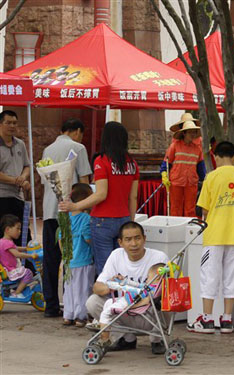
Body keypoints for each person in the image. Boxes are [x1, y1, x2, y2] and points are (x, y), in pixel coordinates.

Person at [187, 141, 234, 334]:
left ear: (217, 157)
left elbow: (204, 208)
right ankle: (227, 320)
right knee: (233, 276)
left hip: (214, 235)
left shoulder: (211, 177)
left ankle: (207, 319)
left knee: (209, 276)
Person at [60, 121, 139, 275]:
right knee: (123, 266)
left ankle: (108, 299)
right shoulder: (132, 164)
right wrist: (130, 222)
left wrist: (76, 206)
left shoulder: (101, 161)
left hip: (102, 221)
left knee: (105, 269)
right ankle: (121, 298)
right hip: (124, 219)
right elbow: (133, 197)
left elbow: (101, 194)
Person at [85, 221, 168, 354]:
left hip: (149, 313)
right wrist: (112, 287)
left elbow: (168, 287)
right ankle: (125, 339)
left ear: (144, 239)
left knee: (167, 300)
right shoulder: (116, 255)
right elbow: (97, 287)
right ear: (120, 242)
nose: (134, 244)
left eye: (137, 238)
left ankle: (157, 340)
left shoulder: (159, 257)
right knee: (93, 302)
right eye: (128, 240)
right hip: (125, 309)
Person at [42, 118, 92, 318]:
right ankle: (73, 307)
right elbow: (85, 181)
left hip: (49, 211)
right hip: (72, 212)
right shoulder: (78, 147)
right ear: (78, 131)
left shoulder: (48, 150)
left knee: (51, 260)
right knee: (74, 260)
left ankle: (51, 306)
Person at [95, 262, 165, 351]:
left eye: (148, 277)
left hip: (128, 303)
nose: (147, 279)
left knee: (106, 313)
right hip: (128, 300)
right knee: (109, 302)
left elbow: (146, 299)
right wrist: (125, 281)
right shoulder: (152, 287)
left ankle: (105, 338)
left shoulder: (152, 290)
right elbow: (138, 285)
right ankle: (102, 324)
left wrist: (124, 288)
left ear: (157, 277)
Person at [60, 183, 95, 327]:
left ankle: (68, 315)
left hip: (69, 260)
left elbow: (61, 240)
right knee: (82, 289)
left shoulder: (65, 218)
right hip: (83, 260)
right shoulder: (86, 218)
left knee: (69, 289)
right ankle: (81, 316)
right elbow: (87, 239)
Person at [160, 113, 206, 217]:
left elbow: (201, 168)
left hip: (191, 183)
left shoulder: (197, 149)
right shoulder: (174, 146)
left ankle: (188, 230)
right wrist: (164, 175)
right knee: (176, 208)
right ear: (184, 133)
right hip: (176, 182)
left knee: (190, 209)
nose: (193, 134)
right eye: (190, 132)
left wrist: (205, 181)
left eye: (194, 132)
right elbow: (166, 164)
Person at [0, 110, 32, 247]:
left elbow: (27, 165)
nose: (12, 126)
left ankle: (25, 266)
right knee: (3, 234)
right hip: (2, 197)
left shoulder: (20, 144)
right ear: (1, 124)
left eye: (14, 123)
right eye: (8, 123)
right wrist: (15, 180)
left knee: (22, 233)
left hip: (18, 197)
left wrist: (23, 178)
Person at [0, 214, 38, 299]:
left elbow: (16, 248)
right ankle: (16, 293)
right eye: (17, 228)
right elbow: (17, 254)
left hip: (8, 270)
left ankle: (18, 290)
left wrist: (27, 248)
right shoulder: (7, 243)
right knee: (28, 273)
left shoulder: (4, 241)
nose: (19, 231)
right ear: (7, 229)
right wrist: (30, 256)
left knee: (25, 272)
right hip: (11, 271)